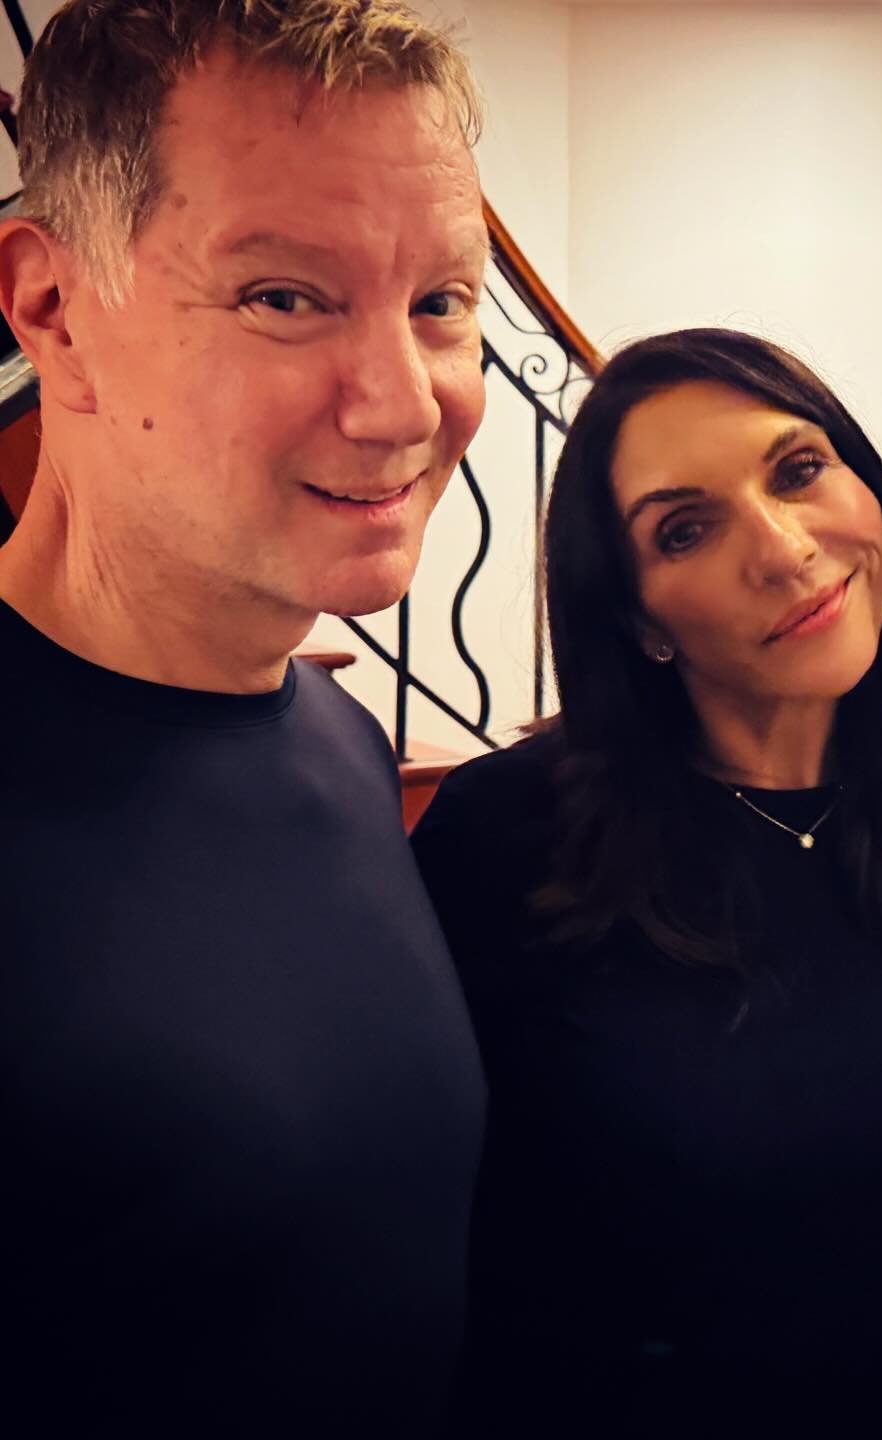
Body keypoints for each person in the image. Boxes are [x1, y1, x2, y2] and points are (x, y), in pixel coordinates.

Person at [0, 2, 490, 1433]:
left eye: (441, 302)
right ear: (52, 308)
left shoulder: (338, 741)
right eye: (285, 297)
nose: (404, 407)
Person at [412, 327, 882, 1439]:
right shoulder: (508, 838)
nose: (783, 550)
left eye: (798, 470)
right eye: (686, 529)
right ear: (638, 619)